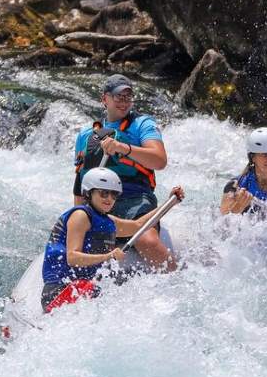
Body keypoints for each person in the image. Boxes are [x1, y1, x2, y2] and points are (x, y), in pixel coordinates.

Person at [42, 168, 183, 312]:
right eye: (104, 193)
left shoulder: (108, 220)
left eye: (114, 194)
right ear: (89, 193)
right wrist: (108, 256)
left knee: (131, 280)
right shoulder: (80, 215)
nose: (109, 199)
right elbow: (72, 258)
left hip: (85, 286)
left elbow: (139, 225)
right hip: (60, 290)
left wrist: (169, 203)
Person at [74, 74, 169, 251]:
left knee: (146, 241)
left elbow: (160, 160)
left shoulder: (142, 124)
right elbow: (80, 181)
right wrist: (77, 217)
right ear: (105, 99)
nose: (124, 102)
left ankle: (174, 269)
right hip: (98, 200)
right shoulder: (85, 135)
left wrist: (122, 147)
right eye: (119, 97)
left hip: (135, 197)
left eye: (128, 97)